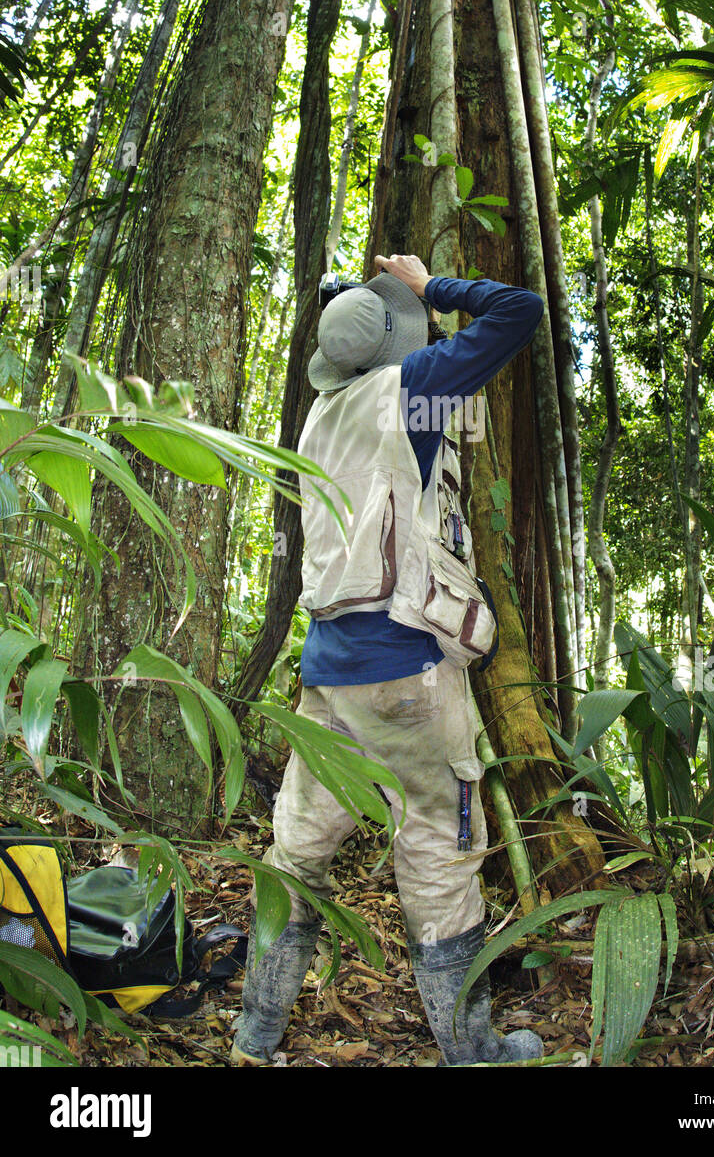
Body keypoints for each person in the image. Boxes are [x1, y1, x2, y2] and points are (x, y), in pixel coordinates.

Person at [232, 253, 545, 1066]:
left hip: (329, 674)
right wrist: (428, 284)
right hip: (408, 666)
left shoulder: (318, 417)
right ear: (392, 348)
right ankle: (473, 1054)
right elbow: (520, 310)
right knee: (441, 853)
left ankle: (253, 1038)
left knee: (297, 850)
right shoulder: (408, 393)